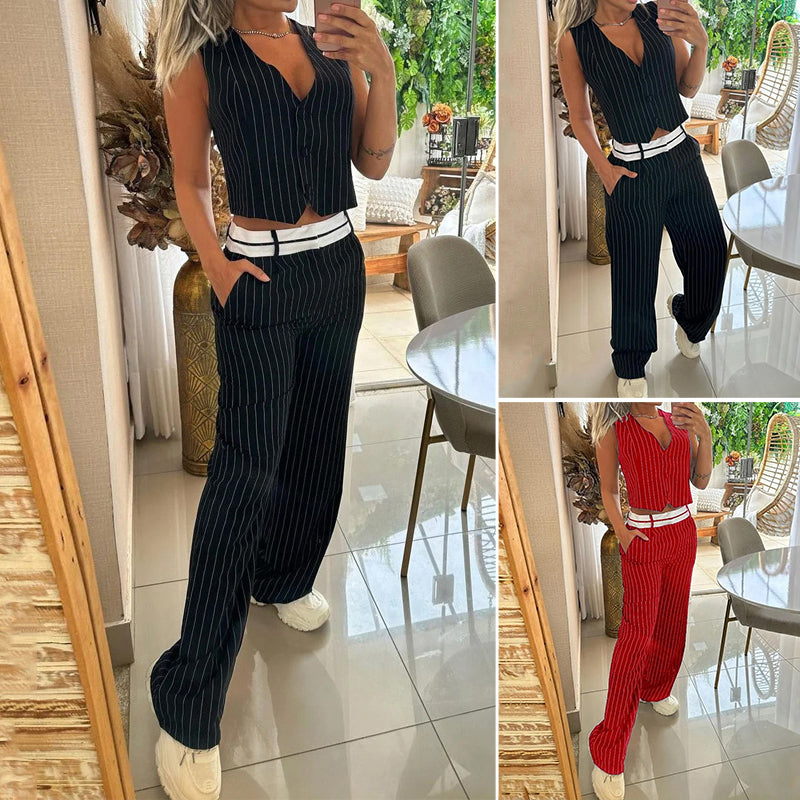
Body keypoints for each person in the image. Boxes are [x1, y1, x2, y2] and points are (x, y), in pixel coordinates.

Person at [148, 1, 397, 798]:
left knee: (318, 442)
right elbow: (191, 181)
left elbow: (374, 163)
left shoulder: (327, 43)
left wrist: (381, 69)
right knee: (244, 473)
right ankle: (190, 700)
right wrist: (220, 272)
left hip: (337, 268)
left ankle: (283, 577)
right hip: (259, 273)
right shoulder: (201, 56)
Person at [556, 0, 727, 398]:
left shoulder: (657, 16)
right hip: (630, 170)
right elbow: (580, 116)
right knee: (634, 275)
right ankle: (631, 363)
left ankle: (689, 318)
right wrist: (605, 170)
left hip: (682, 157)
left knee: (711, 250)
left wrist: (701, 45)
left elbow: (686, 88)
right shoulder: (575, 40)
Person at [588, 401, 712, 799]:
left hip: (682, 533)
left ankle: (656, 688)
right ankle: (609, 751)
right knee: (635, 636)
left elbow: (700, 481)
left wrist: (704, 434)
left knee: (672, 622)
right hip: (643, 535)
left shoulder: (676, 420)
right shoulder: (614, 426)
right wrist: (623, 534)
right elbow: (608, 490)